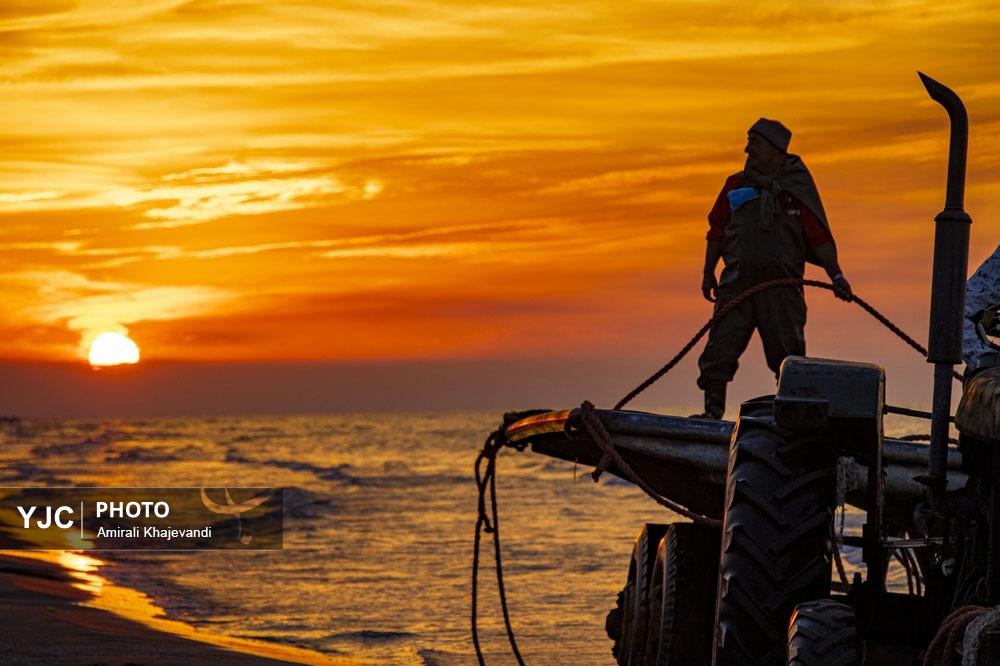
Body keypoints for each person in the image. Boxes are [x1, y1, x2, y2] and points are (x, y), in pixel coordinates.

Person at [695, 118, 852, 418]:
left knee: (788, 359)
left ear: (775, 149)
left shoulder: (796, 190)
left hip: (782, 291)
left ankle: (790, 419)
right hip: (736, 286)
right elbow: (716, 230)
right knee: (718, 354)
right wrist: (707, 272)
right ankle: (712, 416)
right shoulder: (735, 186)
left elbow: (818, 237)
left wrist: (837, 275)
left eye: (754, 143)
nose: (747, 149)